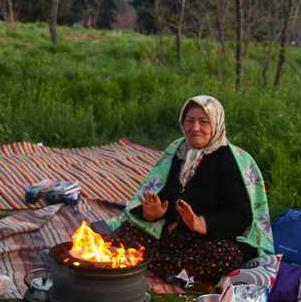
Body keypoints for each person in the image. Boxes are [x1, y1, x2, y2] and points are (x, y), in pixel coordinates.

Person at [104, 95, 273, 285]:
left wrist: (202, 223)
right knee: (124, 232)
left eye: (204, 122)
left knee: (227, 257)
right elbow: (161, 194)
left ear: (217, 123)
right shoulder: (177, 151)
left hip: (207, 242)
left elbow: (241, 214)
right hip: (171, 237)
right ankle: (161, 264)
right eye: (189, 121)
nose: (195, 128)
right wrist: (151, 214)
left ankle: (146, 260)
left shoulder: (232, 161)